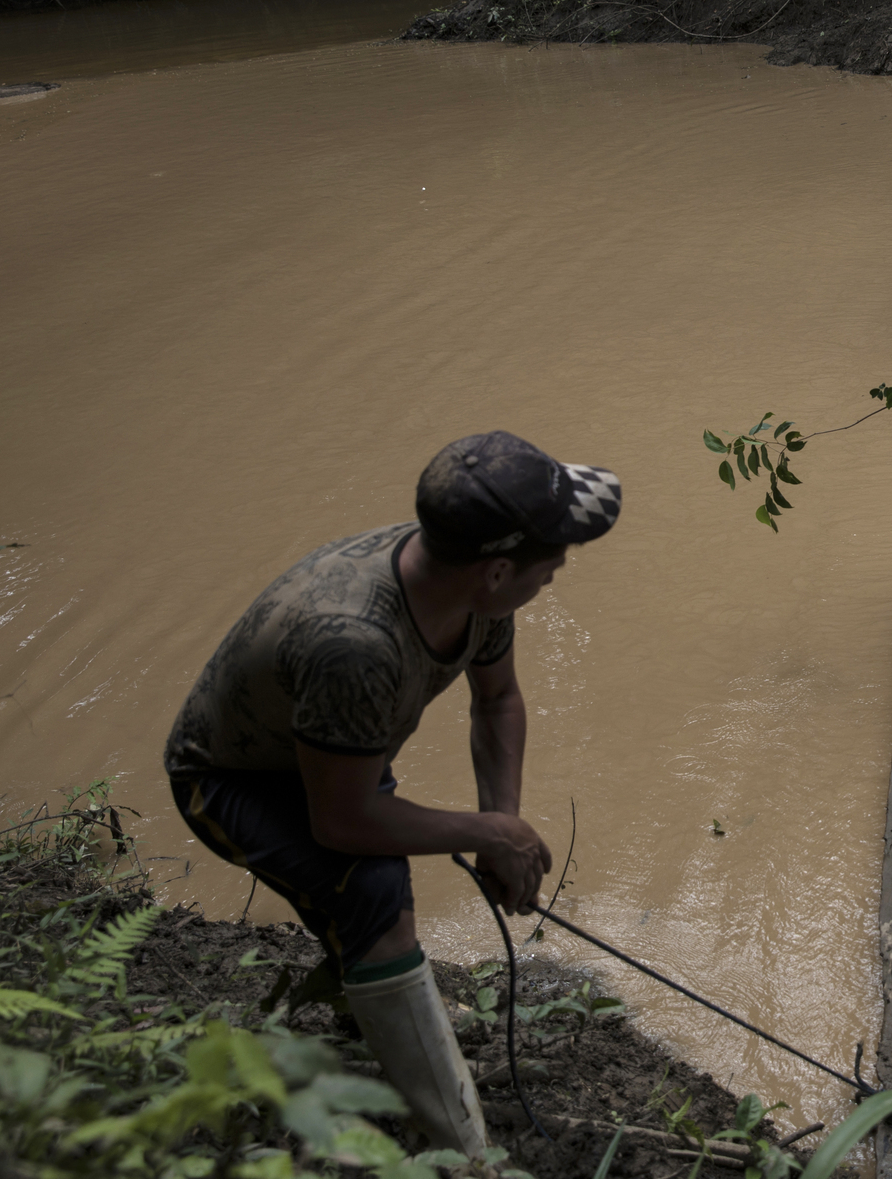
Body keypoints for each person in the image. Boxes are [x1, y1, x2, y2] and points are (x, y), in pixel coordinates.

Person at [162, 432, 621, 1156]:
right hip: (231, 779)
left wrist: (498, 823)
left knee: (368, 887)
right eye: (553, 559)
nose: (559, 571)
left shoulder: (469, 585)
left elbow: (496, 700)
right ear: (498, 571)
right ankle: (459, 1147)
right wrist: (495, 836)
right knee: (375, 895)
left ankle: (374, 1018)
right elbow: (343, 820)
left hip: (332, 746)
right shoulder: (356, 645)